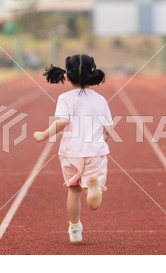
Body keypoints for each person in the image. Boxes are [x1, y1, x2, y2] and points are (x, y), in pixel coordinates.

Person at [33, 54, 113, 243]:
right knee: (91, 187)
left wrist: (44, 134)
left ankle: (75, 228)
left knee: (73, 190)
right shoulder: (100, 99)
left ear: (66, 77)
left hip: (70, 152)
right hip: (95, 151)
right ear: (93, 75)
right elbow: (107, 129)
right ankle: (93, 189)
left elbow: (63, 122)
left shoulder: (64, 98)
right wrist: (103, 140)